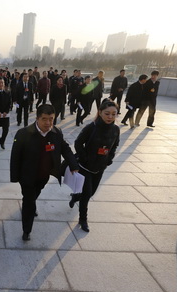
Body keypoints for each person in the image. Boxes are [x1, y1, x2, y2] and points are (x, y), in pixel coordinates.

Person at [10, 104, 79, 240]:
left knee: (34, 195)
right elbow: (15, 157)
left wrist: (73, 164)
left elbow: (64, 148)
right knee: (29, 202)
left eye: (51, 119)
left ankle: (29, 204)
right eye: (44, 119)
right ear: (37, 119)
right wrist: (15, 177)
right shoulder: (24, 133)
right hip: (27, 177)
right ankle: (27, 230)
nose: (48, 123)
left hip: (44, 175)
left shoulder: (56, 133)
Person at [71, 100, 120, 232]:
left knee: (91, 192)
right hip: (86, 167)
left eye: (113, 114)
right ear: (100, 112)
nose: (110, 117)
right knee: (87, 194)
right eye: (107, 113)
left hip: (100, 167)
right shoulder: (91, 127)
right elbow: (78, 143)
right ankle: (83, 219)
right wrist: (84, 158)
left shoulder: (116, 129)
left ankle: (75, 196)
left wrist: (109, 158)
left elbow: (114, 146)